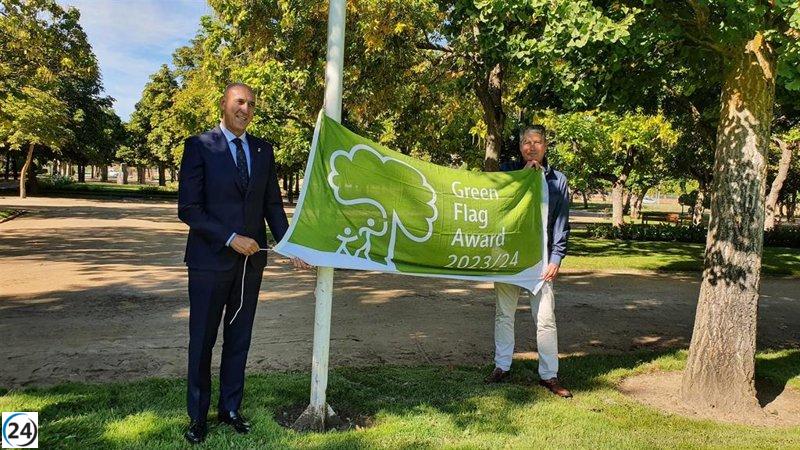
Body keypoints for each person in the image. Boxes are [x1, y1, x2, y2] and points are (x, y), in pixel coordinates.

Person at [178, 83, 310, 444]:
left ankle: (230, 408)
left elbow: (271, 206)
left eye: (251, 104)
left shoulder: (263, 150)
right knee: (202, 340)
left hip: (250, 267)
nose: (245, 109)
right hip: (209, 262)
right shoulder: (199, 146)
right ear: (224, 104)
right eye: (239, 102)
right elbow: (188, 209)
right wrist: (230, 238)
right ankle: (198, 416)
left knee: (239, 338)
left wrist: (291, 245)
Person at [484, 124, 572, 399]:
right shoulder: (508, 173)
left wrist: (557, 257)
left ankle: (549, 375)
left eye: (537, 142)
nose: (532, 147)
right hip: (509, 257)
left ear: (545, 146)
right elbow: (497, 206)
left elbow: (561, 223)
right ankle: (502, 366)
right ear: (520, 147)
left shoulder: (558, 181)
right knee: (503, 314)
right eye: (526, 142)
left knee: (545, 319)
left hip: (541, 260)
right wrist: (521, 178)